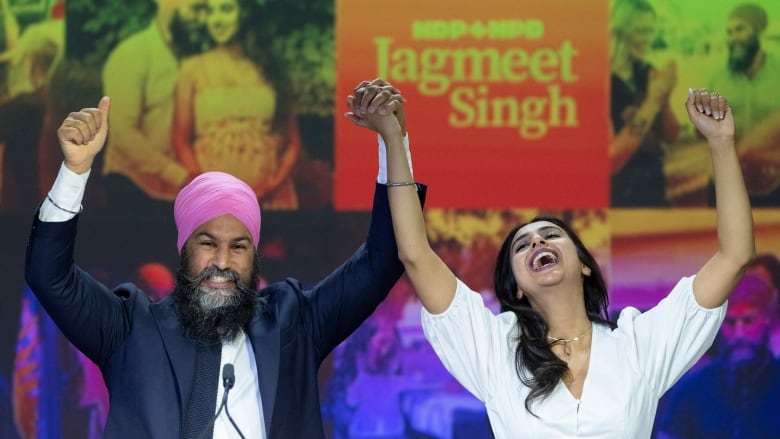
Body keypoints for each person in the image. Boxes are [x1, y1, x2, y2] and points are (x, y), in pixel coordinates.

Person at [347, 82, 754, 437]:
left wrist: (721, 144)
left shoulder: (638, 344)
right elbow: (415, 255)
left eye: (551, 235)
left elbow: (734, 256)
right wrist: (394, 140)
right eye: (522, 246)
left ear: (583, 264)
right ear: (517, 288)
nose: (537, 240)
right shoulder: (495, 349)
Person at [24, 86, 425, 437]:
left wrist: (394, 141)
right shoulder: (129, 329)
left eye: (239, 247)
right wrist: (75, 171)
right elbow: (49, 275)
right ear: (183, 249)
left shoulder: (296, 323)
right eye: (207, 243)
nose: (222, 261)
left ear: (255, 254)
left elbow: (380, 260)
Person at [172, 0, 300, 209]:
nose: (217, 20)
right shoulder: (192, 70)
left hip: (271, 199)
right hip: (212, 201)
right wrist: (207, 186)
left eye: (226, 9)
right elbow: (180, 140)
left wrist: (273, 185)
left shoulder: (271, 68)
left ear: (245, 13)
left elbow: (293, 142)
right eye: (211, 11)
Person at [101, 0, 208, 213]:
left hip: (183, 193)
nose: (203, 19)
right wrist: (179, 175)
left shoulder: (197, 54)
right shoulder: (132, 55)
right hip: (134, 189)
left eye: (207, 10)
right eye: (196, 9)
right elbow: (123, 133)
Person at [655, 273, 780, 439]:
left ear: (768, 320)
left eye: (748, 321)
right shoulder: (692, 388)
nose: (739, 334)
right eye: (730, 322)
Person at [609, 0, 680, 206]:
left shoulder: (647, 71)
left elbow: (671, 136)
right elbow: (611, 160)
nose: (647, 39)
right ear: (619, 31)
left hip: (654, 188)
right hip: (619, 197)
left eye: (650, 31)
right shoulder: (602, 80)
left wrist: (664, 99)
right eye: (641, 31)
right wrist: (653, 101)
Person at [708, 3, 780, 207]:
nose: (732, 38)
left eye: (740, 29)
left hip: (773, 189)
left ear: (758, 30)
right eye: (729, 32)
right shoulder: (717, 79)